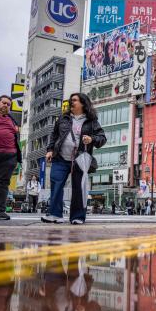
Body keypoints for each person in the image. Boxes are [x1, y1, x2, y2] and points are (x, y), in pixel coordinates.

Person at [42, 93, 106, 225]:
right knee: (56, 185)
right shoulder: (63, 118)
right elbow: (54, 136)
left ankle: (77, 217)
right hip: (59, 157)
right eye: (71, 100)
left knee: (78, 188)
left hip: (80, 160)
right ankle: (55, 214)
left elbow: (102, 138)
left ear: (83, 103)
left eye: (75, 100)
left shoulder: (91, 121)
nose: (72, 102)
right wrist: (49, 150)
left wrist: (91, 139)